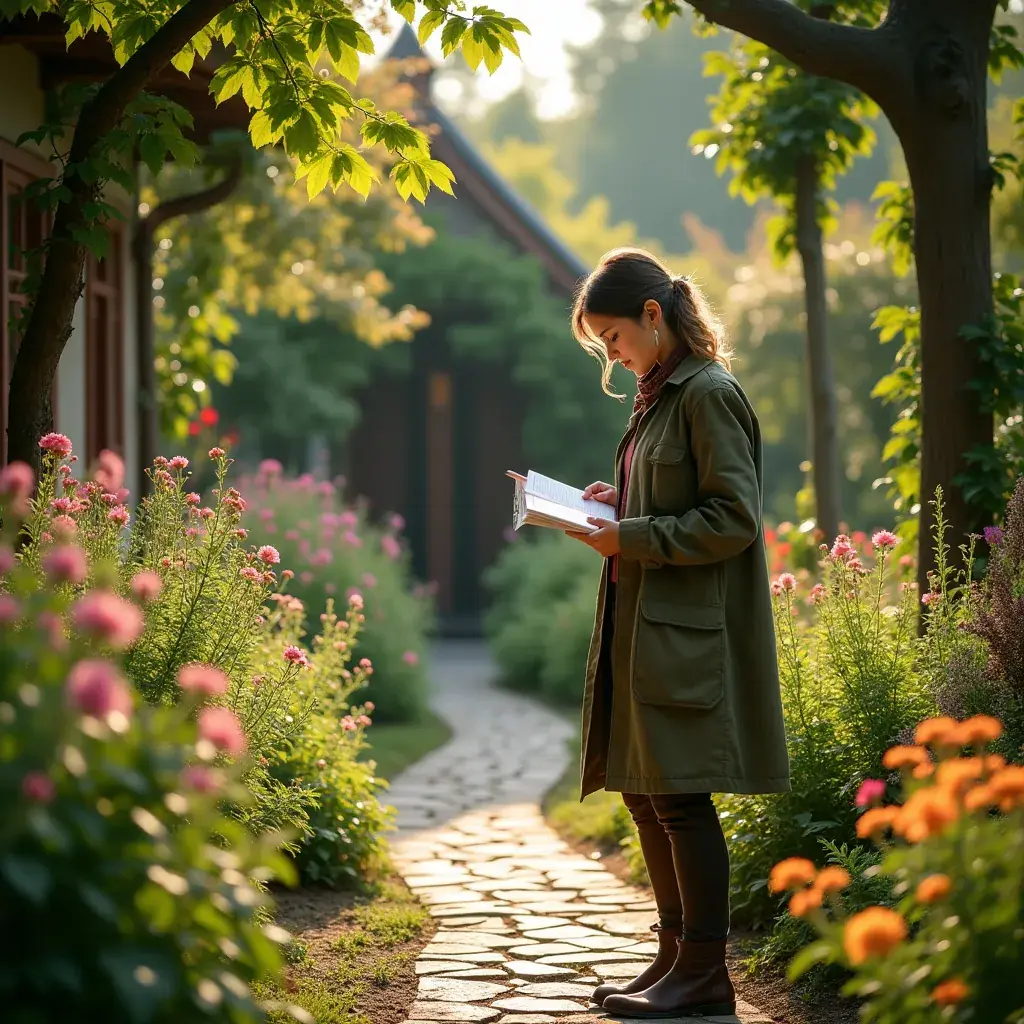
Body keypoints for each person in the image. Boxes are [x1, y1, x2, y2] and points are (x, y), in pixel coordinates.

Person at [564, 247, 790, 1020]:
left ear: (652, 317)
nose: (614, 355)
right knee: (645, 794)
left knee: (681, 799)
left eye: (615, 338)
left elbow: (733, 518)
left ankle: (704, 977)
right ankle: (672, 960)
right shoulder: (658, 396)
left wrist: (632, 534)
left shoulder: (707, 394)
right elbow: (668, 496)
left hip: (686, 632)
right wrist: (612, 501)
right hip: (645, 625)